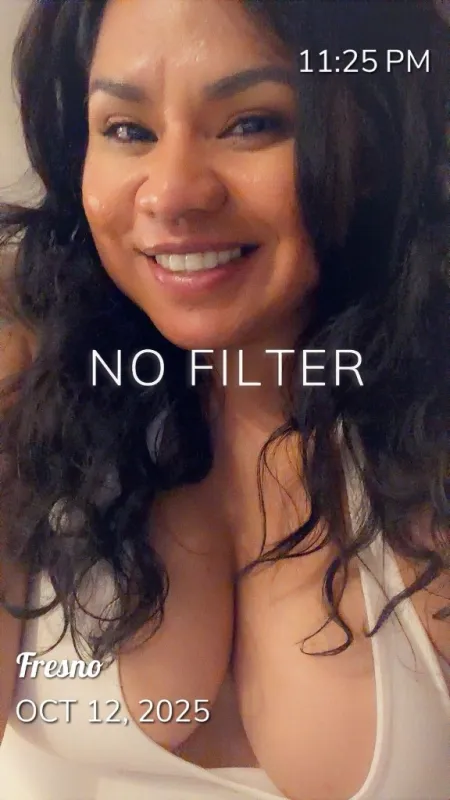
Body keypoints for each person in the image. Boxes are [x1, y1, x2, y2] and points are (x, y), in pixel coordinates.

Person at [0, 0, 449, 798]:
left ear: (374, 142)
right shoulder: (30, 401)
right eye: (127, 129)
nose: (171, 195)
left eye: (251, 123)